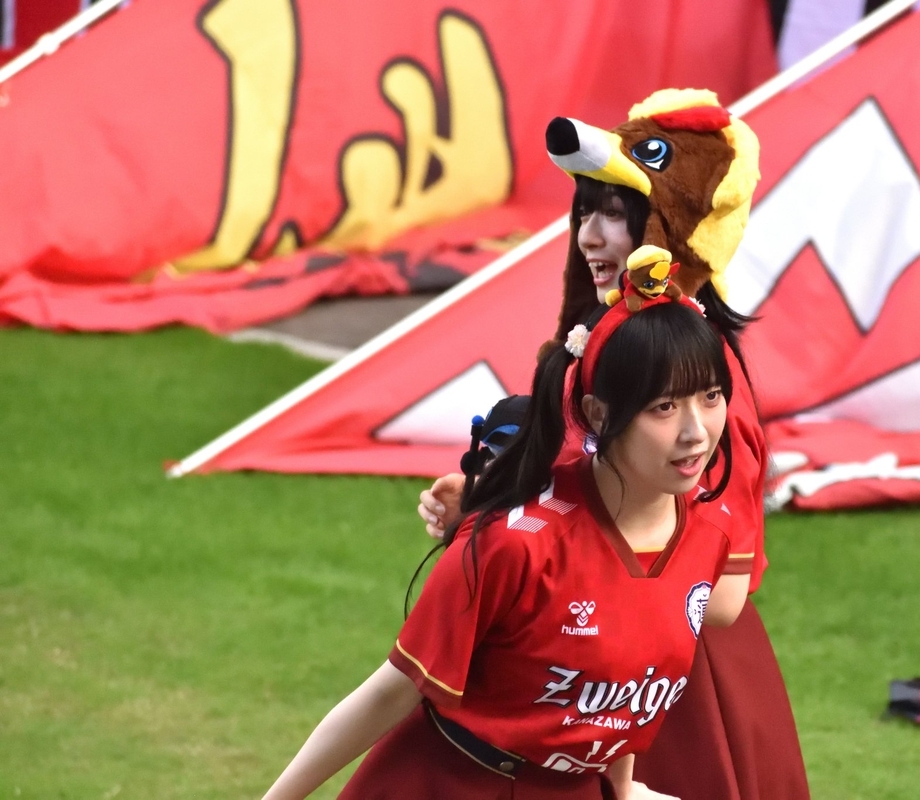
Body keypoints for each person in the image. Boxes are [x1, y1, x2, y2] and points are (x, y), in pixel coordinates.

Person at [420, 90, 809, 799]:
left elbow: (719, 598)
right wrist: (492, 511)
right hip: (586, 676)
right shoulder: (602, 351)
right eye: (584, 213)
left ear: (676, 227)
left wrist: (573, 575)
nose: (589, 239)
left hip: (663, 693)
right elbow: (582, 502)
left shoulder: (698, 386)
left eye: (615, 214)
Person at [263, 294, 747, 800]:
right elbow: (392, 691)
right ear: (598, 415)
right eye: (664, 406)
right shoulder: (515, 542)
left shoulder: (709, 533)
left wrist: (623, 790)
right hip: (450, 785)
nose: (696, 432)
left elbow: (626, 678)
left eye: (711, 396)